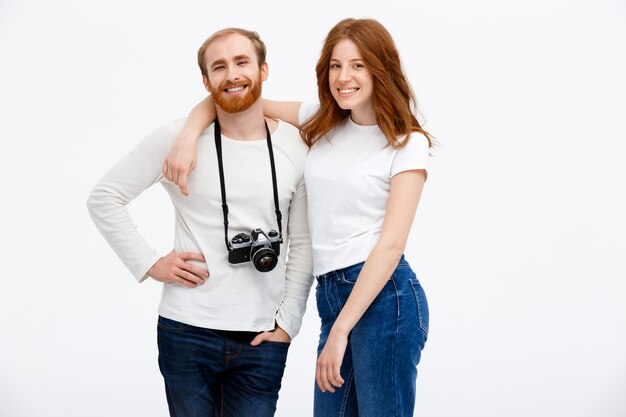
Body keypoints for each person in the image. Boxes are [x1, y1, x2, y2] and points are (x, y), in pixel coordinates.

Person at [164, 18, 433, 417]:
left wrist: (340, 330)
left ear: (381, 68)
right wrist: (189, 134)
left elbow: (391, 246)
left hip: (383, 297)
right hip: (332, 292)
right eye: (335, 66)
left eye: (358, 65)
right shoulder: (322, 120)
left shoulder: (407, 143)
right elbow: (237, 97)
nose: (344, 77)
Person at [87, 28, 313, 417]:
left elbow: (304, 244)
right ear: (206, 81)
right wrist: (150, 263)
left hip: (263, 338)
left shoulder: (296, 145)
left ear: (264, 69)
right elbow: (105, 197)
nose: (232, 74)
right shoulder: (178, 138)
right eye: (219, 67)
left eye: (242, 62)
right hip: (186, 330)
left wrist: (287, 324)